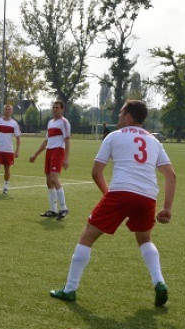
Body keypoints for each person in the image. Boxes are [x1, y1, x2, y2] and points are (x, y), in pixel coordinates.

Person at [50, 99, 176, 307]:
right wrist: (168, 208)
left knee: (87, 236)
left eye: (120, 113)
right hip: (147, 197)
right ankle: (159, 282)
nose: (118, 117)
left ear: (128, 116)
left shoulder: (114, 136)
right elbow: (171, 176)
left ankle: (70, 289)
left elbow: (96, 172)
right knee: (144, 239)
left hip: (120, 193)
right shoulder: (154, 141)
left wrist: (109, 195)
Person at [29, 100, 71, 219]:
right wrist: (35, 154)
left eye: (57, 107)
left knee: (54, 178)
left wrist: (66, 159)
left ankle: (63, 208)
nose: (55, 109)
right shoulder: (50, 122)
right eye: (53, 107)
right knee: (48, 181)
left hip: (58, 151)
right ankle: (53, 210)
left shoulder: (64, 122)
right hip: (49, 152)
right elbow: (46, 141)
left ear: (62, 109)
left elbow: (67, 140)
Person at [0, 103, 21, 194]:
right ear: (3, 110)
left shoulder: (14, 124)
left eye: (9, 109)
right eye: (6, 109)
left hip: (8, 150)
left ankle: (5, 187)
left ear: (12, 111)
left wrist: (17, 150)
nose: (7, 111)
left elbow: (18, 138)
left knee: (7, 169)